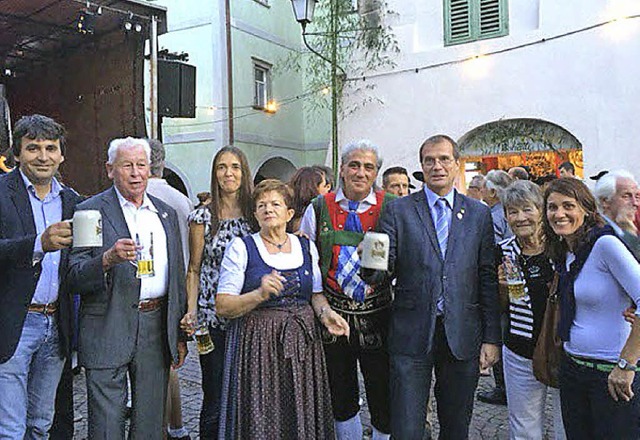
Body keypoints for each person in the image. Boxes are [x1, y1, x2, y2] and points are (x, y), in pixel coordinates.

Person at [376, 134, 501, 439]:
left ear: (457, 165)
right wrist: (371, 266)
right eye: (429, 160)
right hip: (411, 334)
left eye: (444, 159)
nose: (437, 166)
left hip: (462, 334)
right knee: (406, 428)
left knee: (456, 426)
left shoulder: (478, 214)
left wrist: (492, 338)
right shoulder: (397, 210)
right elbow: (380, 265)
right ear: (421, 166)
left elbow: (486, 278)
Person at [67, 137, 188, 439]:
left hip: (155, 325)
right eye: (126, 166)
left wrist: (180, 333)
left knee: (149, 423)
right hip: (107, 323)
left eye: (141, 165)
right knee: (106, 425)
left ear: (150, 169)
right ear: (110, 170)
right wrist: (106, 260)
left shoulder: (165, 214)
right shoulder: (89, 211)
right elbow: (74, 275)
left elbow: (176, 276)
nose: (135, 173)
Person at [216, 179, 349, 439]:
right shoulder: (241, 248)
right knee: (264, 411)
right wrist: (258, 294)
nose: (268, 209)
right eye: (261, 205)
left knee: (300, 406)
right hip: (258, 346)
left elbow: (316, 295)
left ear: (289, 213)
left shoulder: (305, 246)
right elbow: (223, 305)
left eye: (275, 204)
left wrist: (326, 315)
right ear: (255, 214)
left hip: (303, 345)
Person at [300, 140, 394, 440]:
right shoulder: (319, 207)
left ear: (376, 171)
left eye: (368, 167)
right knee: (340, 393)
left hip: (379, 315)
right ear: (341, 169)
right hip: (333, 316)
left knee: (383, 392)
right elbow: (308, 261)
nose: (360, 172)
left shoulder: (390, 205)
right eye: (354, 165)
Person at [0, 115, 83, 439]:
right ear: (17, 154)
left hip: (55, 326)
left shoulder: (71, 200)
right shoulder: (2, 193)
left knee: (40, 424)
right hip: (14, 326)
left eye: (51, 147)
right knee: (10, 429)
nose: (43, 156)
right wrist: (38, 244)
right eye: (33, 148)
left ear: (61, 154)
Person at [542, 177, 640, 439]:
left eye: (568, 206)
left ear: (586, 209)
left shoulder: (604, 245)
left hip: (611, 375)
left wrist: (626, 364)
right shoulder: (565, 252)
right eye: (552, 207)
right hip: (573, 369)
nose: (559, 214)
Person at [181, 146, 254, 439]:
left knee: (247, 390)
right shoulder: (202, 217)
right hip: (210, 321)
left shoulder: (255, 213)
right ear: (214, 174)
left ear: (243, 172)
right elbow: (194, 269)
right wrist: (191, 310)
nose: (228, 173)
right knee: (213, 390)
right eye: (222, 167)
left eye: (235, 167)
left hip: (248, 314)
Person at [498, 181, 565, 440]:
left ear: (540, 211)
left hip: (561, 347)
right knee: (524, 425)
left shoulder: (561, 247)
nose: (520, 217)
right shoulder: (504, 252)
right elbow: (499, 307)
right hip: (520, 348)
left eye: (527, 209)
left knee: (567, 423)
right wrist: (501, 288)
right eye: (512, 211)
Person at [146, 139, 194, 440]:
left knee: (158, 367)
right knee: (171, 363)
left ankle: (162, 428)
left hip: (152, 288)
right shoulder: (181, 198)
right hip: (179, 287)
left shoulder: (141, 195)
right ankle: (177, 427)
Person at [478, 169, 513, 405]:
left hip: (502, 282)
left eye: (483, 188)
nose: (481, 192)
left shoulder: (493, 215)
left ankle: (503, 388)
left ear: (492, 191)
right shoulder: (505, 212)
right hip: (512, 281)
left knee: (501, 332)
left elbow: (492, 251)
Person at [594, 170, 640, 260]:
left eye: (637, 196)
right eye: (626, 196)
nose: (635, 203)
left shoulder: (622, 228)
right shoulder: (600, 232)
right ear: (605, 201)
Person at [288, 166, 330, 233]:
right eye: (324, 186)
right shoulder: (315, 212)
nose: (328, 190)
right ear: (314, 188)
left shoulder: (288, 210)